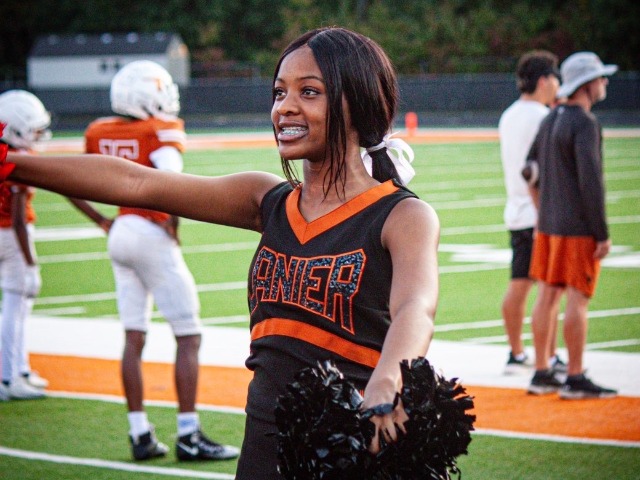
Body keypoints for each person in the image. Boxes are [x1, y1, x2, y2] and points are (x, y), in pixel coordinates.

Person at [3, 27, 439, 478]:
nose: (285, 107)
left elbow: (415, 308)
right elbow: (136, 182)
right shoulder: (267, 200)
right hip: (263, 450)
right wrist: (10, 163)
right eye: (279, 92)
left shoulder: (402, 215)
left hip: (355, 445)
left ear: (358, 102)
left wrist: (388, 380)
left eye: (309, 92)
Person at [63, 61, 240, 462]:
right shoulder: (160, 130)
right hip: (150, 233)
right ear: (145, 95)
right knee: (189, 335)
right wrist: (173, 225)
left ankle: (139, 432)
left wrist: (101, 220)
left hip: (121, 231)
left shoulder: (99, 131)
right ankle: (188, 433)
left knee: (133, 336)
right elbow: (172, 183)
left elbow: (73, 180)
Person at [523, 51, 618, 399]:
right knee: (578, 300)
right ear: (587, 84)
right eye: (600, 77)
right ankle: (575, 377)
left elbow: (528, 171)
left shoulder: (551, 118)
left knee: (547, 296)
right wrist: (602, 233)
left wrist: (542, 211)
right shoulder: (585, 123)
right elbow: (591, 183)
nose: (604, 82)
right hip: (577, 228)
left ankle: (542, 372)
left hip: (548, 225)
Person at [498, 50, 566, 375]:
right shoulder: (543, 117)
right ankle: (548, 356)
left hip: (516, 210)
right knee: (548, 292)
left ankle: (516, 352)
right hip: (539, 213)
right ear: (543, 80)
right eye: (555, 78)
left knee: (519, 284)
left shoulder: (509, 115)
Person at [0, 90, 50, 401]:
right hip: (11, 235)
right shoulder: (18, 162)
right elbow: (18, 220)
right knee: (15, 308)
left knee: (15, 308)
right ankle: (9, 376)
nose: (38, 134)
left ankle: (20, 367)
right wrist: (31, 262)